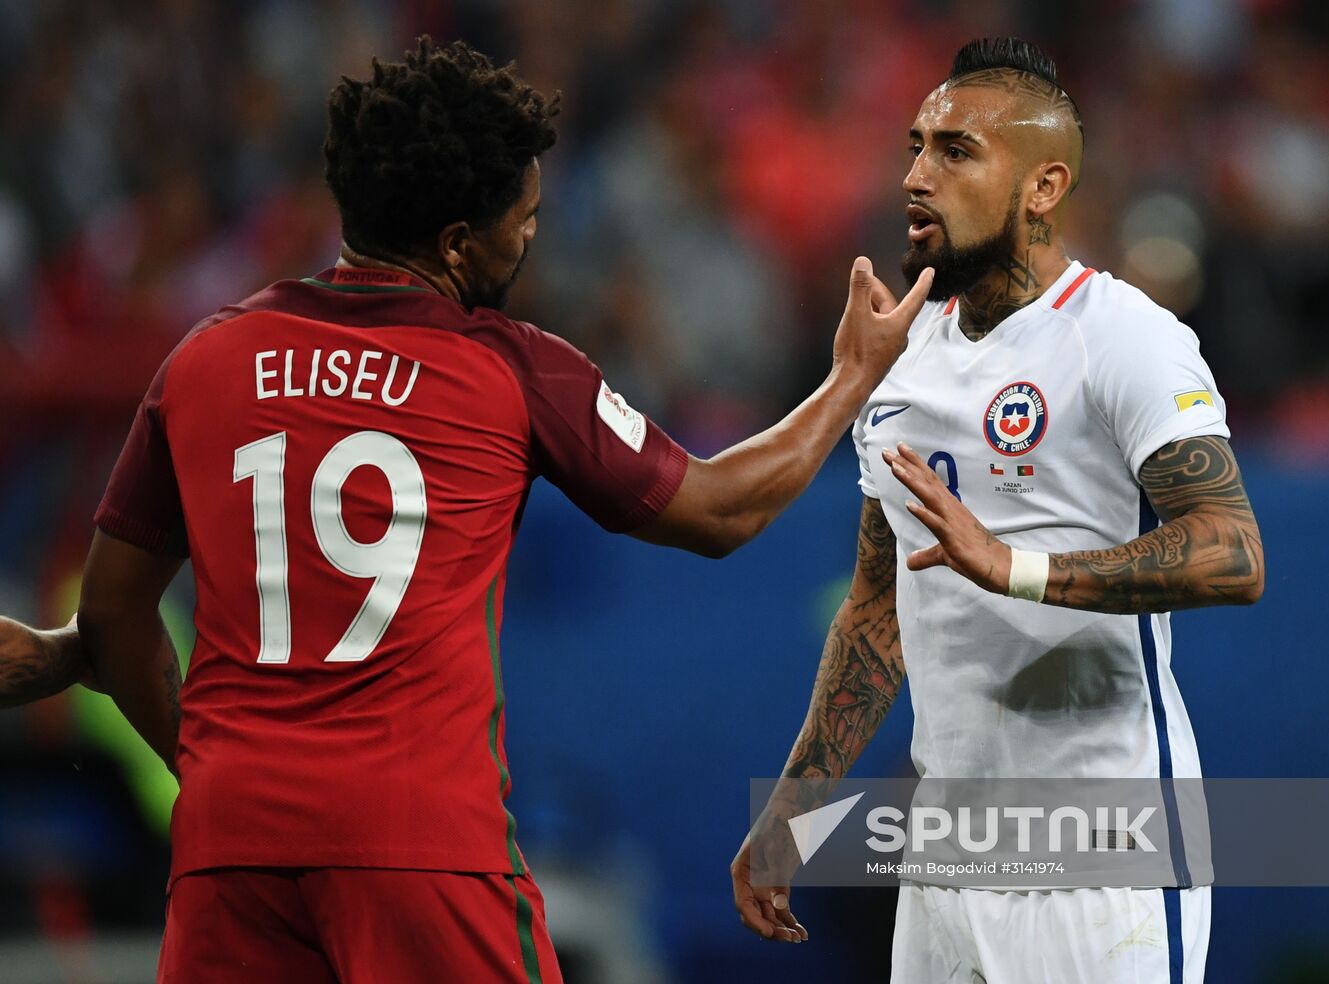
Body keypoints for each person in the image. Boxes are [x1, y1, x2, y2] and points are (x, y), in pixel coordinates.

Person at [0, 38, 931, 983]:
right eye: (522, 221)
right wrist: (852, 376)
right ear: (456, 243)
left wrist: (209, 773)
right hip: (419, 841)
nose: (529, 240)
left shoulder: (203, 362)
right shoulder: (509, 367)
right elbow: (721, 511)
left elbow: (113, 619)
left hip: (229, 845)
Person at [731, 37, 1264, 984]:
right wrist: (794, 808)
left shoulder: (1123, 337)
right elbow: (876, 608)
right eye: (916, 146)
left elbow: (1232, 551)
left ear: (1043, 187)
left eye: (956, 151)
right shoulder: (900, 361)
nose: (916, 175)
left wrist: (1016, 567)